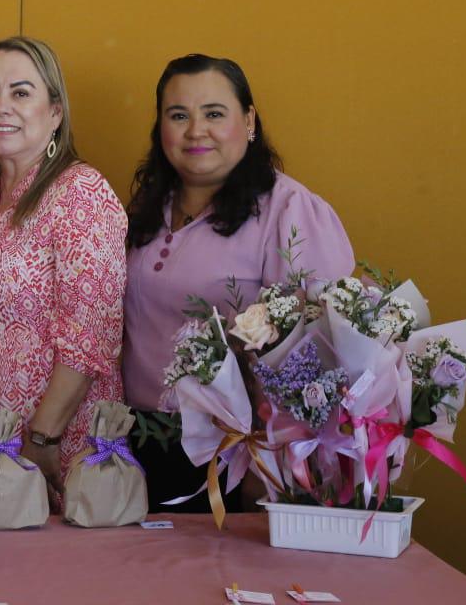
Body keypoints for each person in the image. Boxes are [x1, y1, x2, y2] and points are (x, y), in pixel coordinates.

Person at [123, 53, 354, 510]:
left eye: (214, 114)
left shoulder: (289, 212)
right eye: (178, 116)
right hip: (136, 445)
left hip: (236, 458)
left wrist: (268, 462)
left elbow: (320, 357)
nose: (195, 131)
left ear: (248, 120)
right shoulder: (148, 210)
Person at [0, 37, 127, 507]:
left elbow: (91, 337)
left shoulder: (80, 193)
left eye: (20, 92)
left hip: (49, 450)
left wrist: (41, 441)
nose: (0, 106)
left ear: (55, 112)